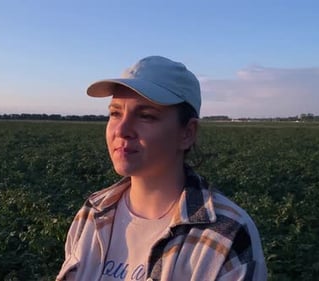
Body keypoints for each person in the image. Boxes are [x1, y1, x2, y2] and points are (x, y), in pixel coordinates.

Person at [56, 56, 267, 281]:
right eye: (115, 113)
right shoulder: (93, 213)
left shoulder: (225, 235)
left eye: (146, 116)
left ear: (187, 133)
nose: (122, 129)